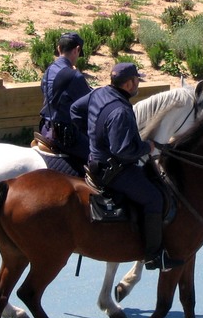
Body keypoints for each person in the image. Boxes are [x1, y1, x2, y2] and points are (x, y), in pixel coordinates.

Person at [72, 62, 184, 272]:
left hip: (94, 160)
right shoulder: (121, 111)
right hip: (113, 171)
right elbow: (122, 150)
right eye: (137, 80)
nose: (138, 83)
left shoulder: (99, 93)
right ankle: (154, 256)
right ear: (129, 83)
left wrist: (93, 137)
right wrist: (146, 146)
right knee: (154, 197)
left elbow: (76, 110)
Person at [38, 32, 92, 176]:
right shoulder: (75, 76)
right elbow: (90, 105)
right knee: (100, 157)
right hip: (65, 136)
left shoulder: (48, 71)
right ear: (77, 50)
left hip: (45, 128)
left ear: (59, 48)